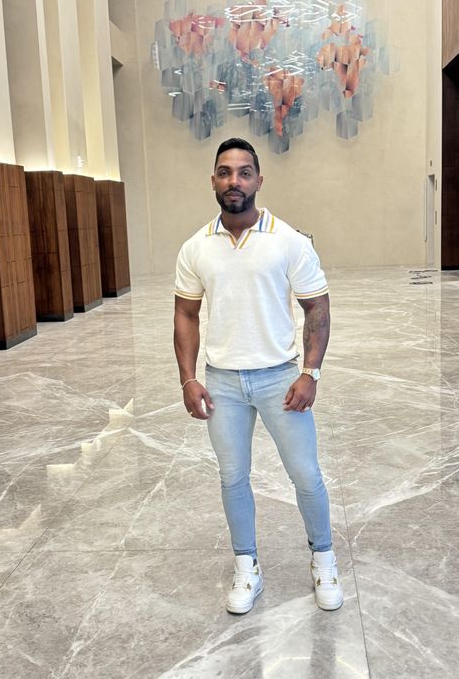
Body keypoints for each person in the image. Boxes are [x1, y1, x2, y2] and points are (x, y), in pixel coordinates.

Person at [173, 138, 343, 615]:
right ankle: (247, 566)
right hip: (222, 383)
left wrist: (310, 372)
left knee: (305, 474)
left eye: (244, 172)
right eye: (225, 172)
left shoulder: (288, 240)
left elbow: (317, 307)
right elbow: (185, 314)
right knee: (232, 478)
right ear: (213, 181)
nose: (234, 181)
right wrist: (188, 378)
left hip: (279, 379)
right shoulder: (195, 247)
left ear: (258, 181)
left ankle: (324, 559)